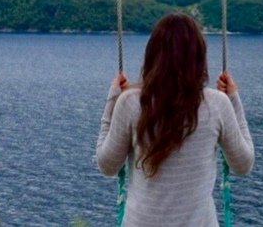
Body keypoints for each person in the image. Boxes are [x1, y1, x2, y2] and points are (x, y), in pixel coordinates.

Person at [96, 13, 254, 227]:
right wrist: (233, 99)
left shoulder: (130, 103)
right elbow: (243, 164)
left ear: (152, 55)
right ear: (199, 58)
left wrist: (113, 100)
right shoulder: (217, 104)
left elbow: (107, 166)